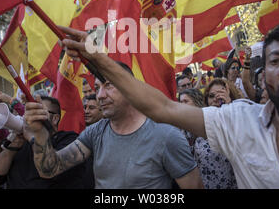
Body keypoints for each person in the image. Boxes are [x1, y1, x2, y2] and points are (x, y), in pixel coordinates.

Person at [58, 24, 279, 188]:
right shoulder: (238, 122)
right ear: (264, 76)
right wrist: (99, 59)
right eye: (275, 61)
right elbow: (163, 108)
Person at [25, 61, 203, 189]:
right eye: (97, 88)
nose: (100, 95)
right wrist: (40, 133)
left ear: (130, 88)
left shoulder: (166, 136)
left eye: (108, 85)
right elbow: (49, 169)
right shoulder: (95, 132)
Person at [0, 95, 86, 189]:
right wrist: (15, 143)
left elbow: (53, 169)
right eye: (29, 113)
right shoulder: (20, 143)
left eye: (39, 112)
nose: (31, 118)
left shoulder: (69, 138)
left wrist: (33, 137)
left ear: (55, 119)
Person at [179, 88, 237, 189]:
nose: (182, 105)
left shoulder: (214, 121)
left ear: (196, 102)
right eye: (180, 102)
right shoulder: (183, 130)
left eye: (186, 101)